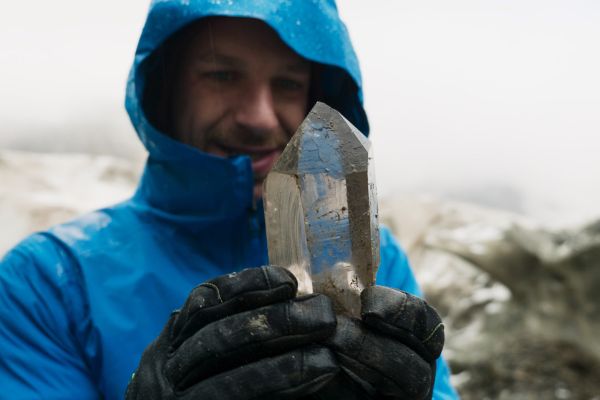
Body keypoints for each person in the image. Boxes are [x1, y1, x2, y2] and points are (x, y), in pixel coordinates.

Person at [0, 1, 459, 399]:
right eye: (222, 75)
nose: (259, 117)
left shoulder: (372, 259)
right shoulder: (45, 283)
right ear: (165, 89)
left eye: (287, 84)